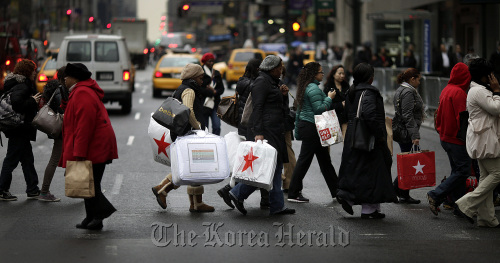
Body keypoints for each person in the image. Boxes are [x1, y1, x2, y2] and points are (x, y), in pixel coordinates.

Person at [227, 55, 295, 216]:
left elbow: (278, 106)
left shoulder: (273, 82)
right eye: (279, 68)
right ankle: (238, 193)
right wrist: (258, 133)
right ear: (271, 68)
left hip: (274, 130)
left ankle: (276, 205)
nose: (281, 70)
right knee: (268, 168)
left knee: (273, 168)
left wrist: (283, 96)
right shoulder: (261, 82)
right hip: (266, 131)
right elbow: (257, 108)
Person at [337, 63, 397, 219]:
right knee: (371, 172)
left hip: (355, 135)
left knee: (359, 170)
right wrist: (379, 135)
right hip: (368, 138)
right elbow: (369, 115)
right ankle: (362, 205)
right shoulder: (368, 92)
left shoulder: (352, 90)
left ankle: (368, 206)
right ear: (369, 77)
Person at [152, 64, 215, 213]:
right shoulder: (189, 90)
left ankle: (196, 203)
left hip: (184, 133)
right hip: (189, 134)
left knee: (193, 167)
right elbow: (188, 111)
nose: (202, 80)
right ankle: (162, 189)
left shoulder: (183, 87)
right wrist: (198, 128)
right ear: (193, 77)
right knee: (190, 167)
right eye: (200, 77)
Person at [61, 63, 118, 230]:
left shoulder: (82, 93)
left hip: (95, 146)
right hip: (95, 145)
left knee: (91, 184)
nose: (64, 78)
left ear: (75, 78)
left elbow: (84, 126)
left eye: (67, 76)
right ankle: (91, 217)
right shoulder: (80, 91)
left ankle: (100, 214)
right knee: (87, 182)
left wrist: (79, 152)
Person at [217, 58, 270, 209]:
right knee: (257, 162)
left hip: (245, 127)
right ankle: (230, 190)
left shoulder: (242, 81)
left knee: (257, 161)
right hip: (252, 128)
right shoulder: (253, 84)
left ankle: (265, 199)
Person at [455, 58, 500, 228]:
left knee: (486, 177)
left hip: (483, 138)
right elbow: (496, 109)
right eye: (490, 74)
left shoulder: (478, 90)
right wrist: (497, 92)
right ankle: (466, 203)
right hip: (485, 139)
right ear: (484, 75)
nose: (493, 76)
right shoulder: (479, 91)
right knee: (497, 173)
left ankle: (486, 218)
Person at [287, 62, 338, 203]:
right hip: (312, 128)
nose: (322, 74)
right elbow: (319, 109)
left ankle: (337, 191)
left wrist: (298, 130)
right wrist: (329, 98)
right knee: (306, 161)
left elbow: (300, 112)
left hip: (310, 127)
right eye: (320, 72)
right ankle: (293, 193)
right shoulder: (313, 89)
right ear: (314, 74)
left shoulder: (306, 87)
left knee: (324, 162)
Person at [427, 62, 472, 216]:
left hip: (445, 136)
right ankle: (436, 194)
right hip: (455, 139)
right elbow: (462, 119)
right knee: (463, 170)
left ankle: (456, 203)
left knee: (457, 170)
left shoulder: (446, 89)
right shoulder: (459, 93)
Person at [0, 59, 41, 201]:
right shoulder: (22, 86)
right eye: (33, 70)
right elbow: (18, 103)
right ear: (27, 71)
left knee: (27, 159)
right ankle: (2, 189)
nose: (35, 72)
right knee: (11, 159)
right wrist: (32, 101)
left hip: (19, 128)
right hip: (19, 128)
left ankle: (33, 189)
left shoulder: (17, 84)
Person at [391, 68, 424, 204]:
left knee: (408, 162)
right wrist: (414, 135)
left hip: (403, 130)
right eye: (418, 79)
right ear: (412, 79)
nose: (420, 82)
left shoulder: (401, 89)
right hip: (406, 132)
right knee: (409, 163)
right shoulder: (408, 92)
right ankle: (398, 191)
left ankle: (401, 192)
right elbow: (407, 115)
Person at [37, 78, 66, 202]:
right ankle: (44, 191)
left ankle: (44, 191)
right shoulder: (60, 91)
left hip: (60, 130)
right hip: (62, 129)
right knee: (55, 160)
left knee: (56, 159)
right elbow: (62, 109)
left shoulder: (54, 89)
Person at [201, 53, 224, 135]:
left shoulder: (217, 73)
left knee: (217, 126)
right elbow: (200, 89)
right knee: (204, 128)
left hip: (215, 104)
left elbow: (221, 89)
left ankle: (216, 142)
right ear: (205, 62)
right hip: (204, 104)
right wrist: (211, 92)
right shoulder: (200, 73)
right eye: (209, 61)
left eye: (213, 61)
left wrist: (215, 92)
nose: (211, 63)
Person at [324, 65, 350, 136]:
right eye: (339, 73)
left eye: (343, 73)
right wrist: (341, 105)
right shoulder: (328, 87)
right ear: (333, 74)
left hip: (345, 119)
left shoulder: (346, 86)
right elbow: (327, 105)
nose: (342, 76)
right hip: (332, 118)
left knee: (347, 141)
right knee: (328, 141)